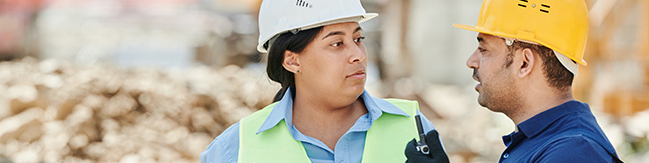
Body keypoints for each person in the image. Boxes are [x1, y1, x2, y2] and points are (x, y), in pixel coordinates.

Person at [200, 0, 446, 162]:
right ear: (292, 61)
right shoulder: (236, 149)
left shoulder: (415, 129)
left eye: (358, 39)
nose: (358, 55)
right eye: (337, 44)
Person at [452, 0, 622, 162]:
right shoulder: (543, 142)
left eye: (483, 50)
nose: (471, 61)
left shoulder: (573, 153)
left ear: (524, 63)